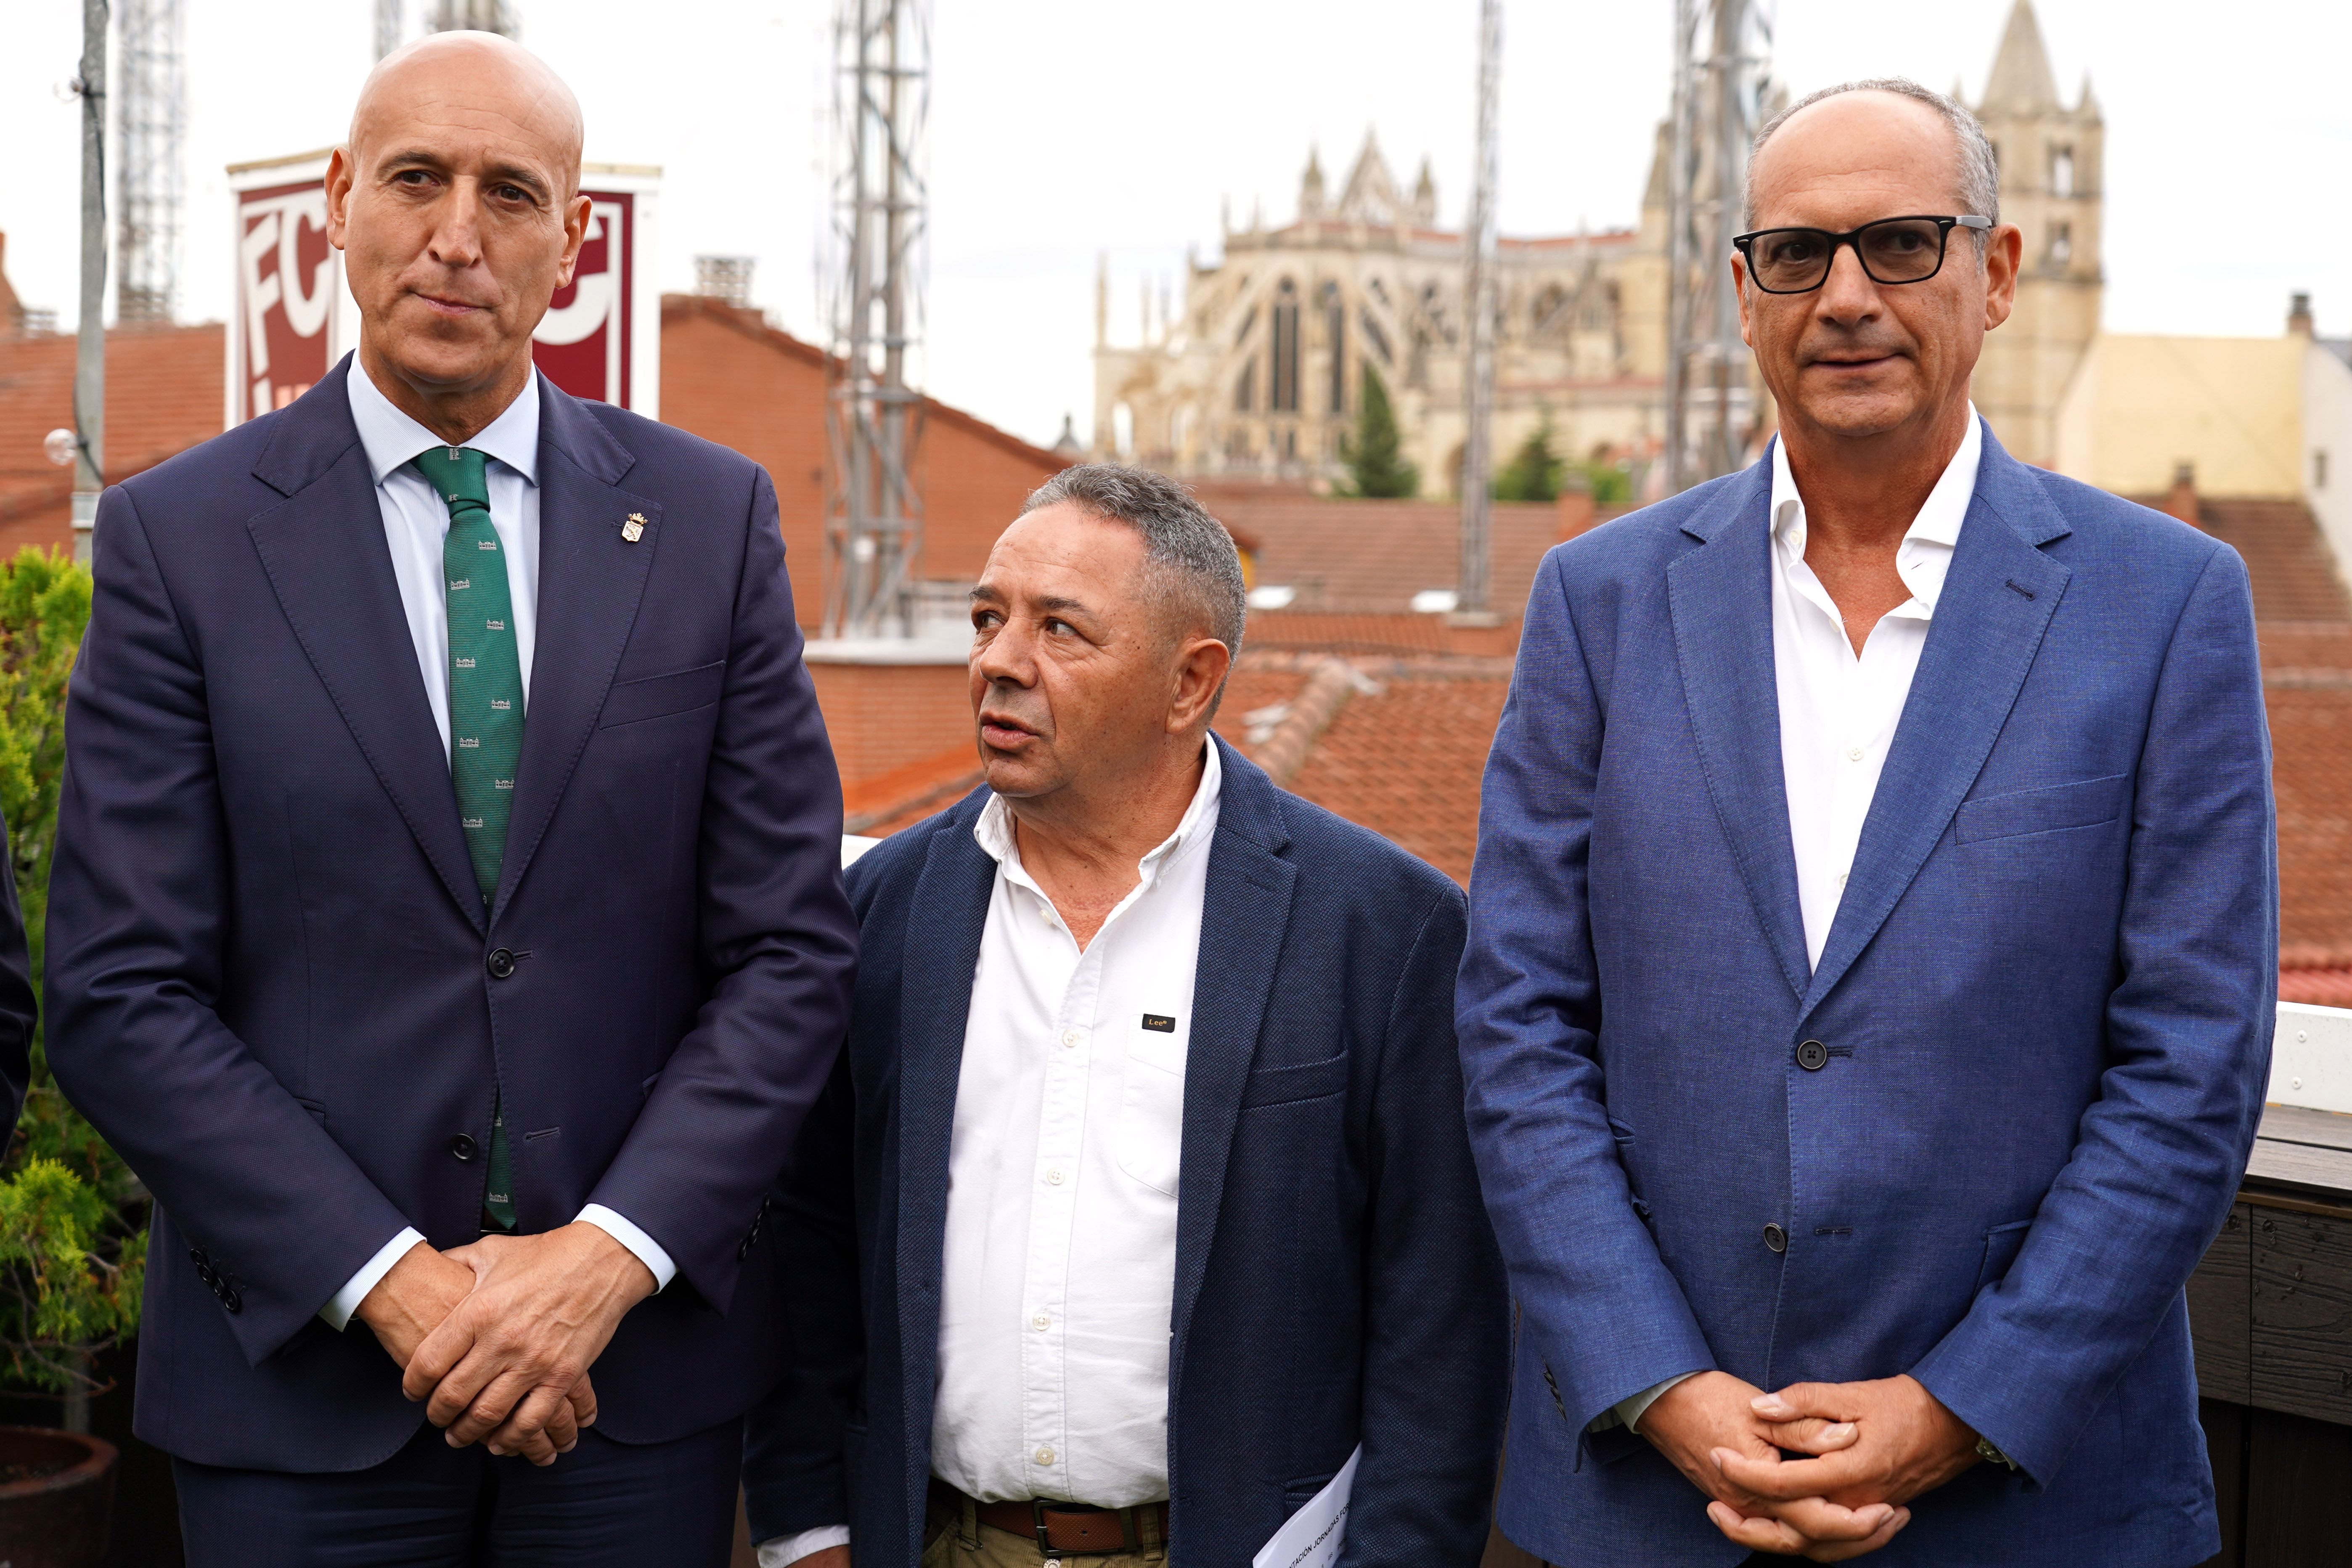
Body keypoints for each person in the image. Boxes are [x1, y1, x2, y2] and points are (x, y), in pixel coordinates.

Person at [43, 31, 857, 1565]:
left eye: (512, 194)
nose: (457, 235)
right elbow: (118, 990)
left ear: (573, 243)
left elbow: (789, 954)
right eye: (416, 179)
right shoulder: (180, 542)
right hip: (302, 1396)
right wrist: (399, 1287)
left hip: (629, 1396)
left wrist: (599, 1268)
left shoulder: (707, 522)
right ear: (342, 203)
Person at [1457, 79, 2274, 1567]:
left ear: (1999, 272)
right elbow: (1518, 1023)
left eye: (1902, 245)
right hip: (1655, 1502)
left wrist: (1958, 1406)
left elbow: (2195, 1062)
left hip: (2034, 1503)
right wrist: (1662, 1383)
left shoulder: (2164, 606)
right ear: (1740, 293)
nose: (1846, 297)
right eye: (1797, 255)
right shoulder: (1600, 601)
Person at [742, 464, 1508, 1568]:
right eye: (988, 618)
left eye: (1061, 630)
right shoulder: (881, 915)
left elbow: (1440, 1328)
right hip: (939, 1543)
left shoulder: (1384, 931)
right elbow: (808, 1244)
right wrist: (805, 1529)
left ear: (1190, 683)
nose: (1000, 663)